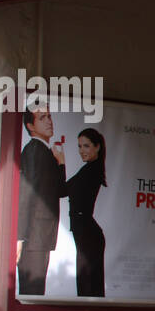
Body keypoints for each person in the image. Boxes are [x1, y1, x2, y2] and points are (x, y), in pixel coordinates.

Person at [15, 101, 65, 295]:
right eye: (42, 118)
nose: (49, 121)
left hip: (39, 235)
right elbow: (26, 193)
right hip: (32, 237)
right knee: (32, 292)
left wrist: (61, 163)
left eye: (49, 116)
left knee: (35, 291)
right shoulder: (35, 150)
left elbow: (59, 191)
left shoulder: (45, 151)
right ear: (30, 126)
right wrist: (19, 237)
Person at [64, 127, 107, 297]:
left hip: (88, 234)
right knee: (87, 287)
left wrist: (60, 164)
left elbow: (64, 190)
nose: (82, 151)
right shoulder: (87, 170)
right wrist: (60, 164)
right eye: (80, 146)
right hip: (85, 232)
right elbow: (62, 190)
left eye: (86, 146)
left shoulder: (91, 170)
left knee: (88, 288)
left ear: (97, 147)